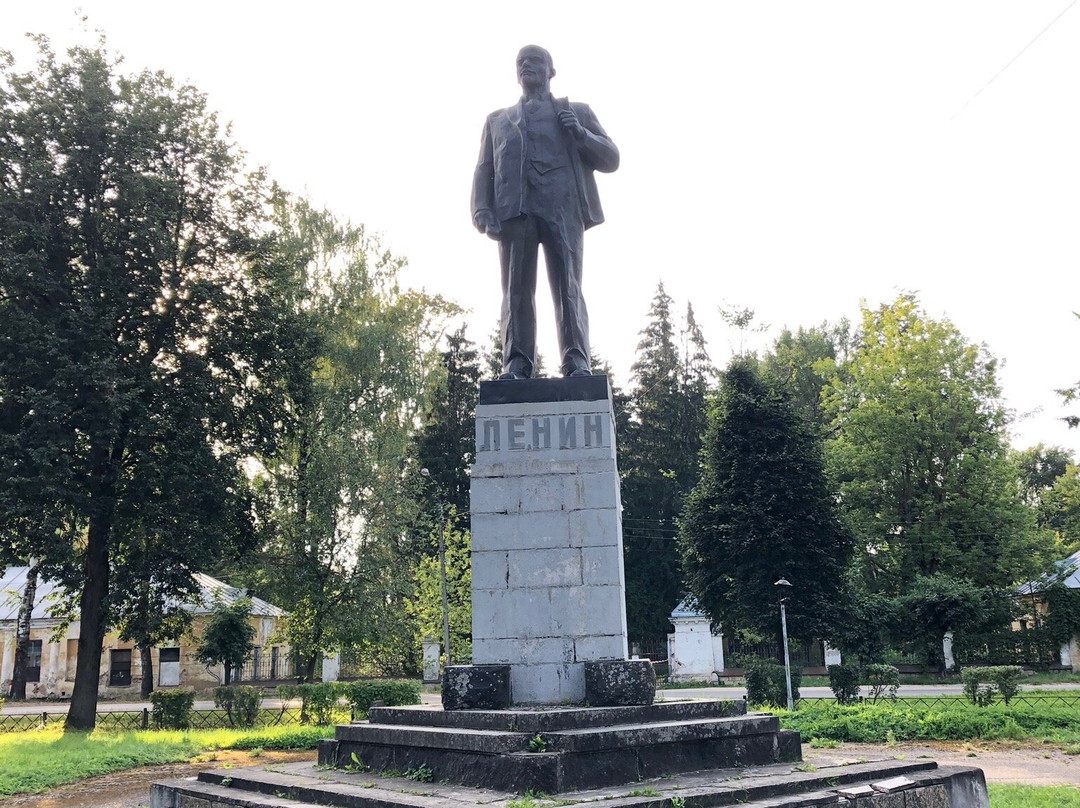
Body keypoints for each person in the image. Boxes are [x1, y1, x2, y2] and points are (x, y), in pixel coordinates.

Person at [471, 45, 619, 380]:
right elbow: (483, 169)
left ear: (551, 70)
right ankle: (517, 364)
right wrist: (481, 208)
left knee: (568, 285)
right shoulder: (497, 121)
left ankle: (576, 361)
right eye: (521, 62)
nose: (527, 65)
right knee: (516, 291)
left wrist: (580, 134)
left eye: (535, 60)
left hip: (562, 208)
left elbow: (611, 158)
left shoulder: (577, 112)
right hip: (515, 212)